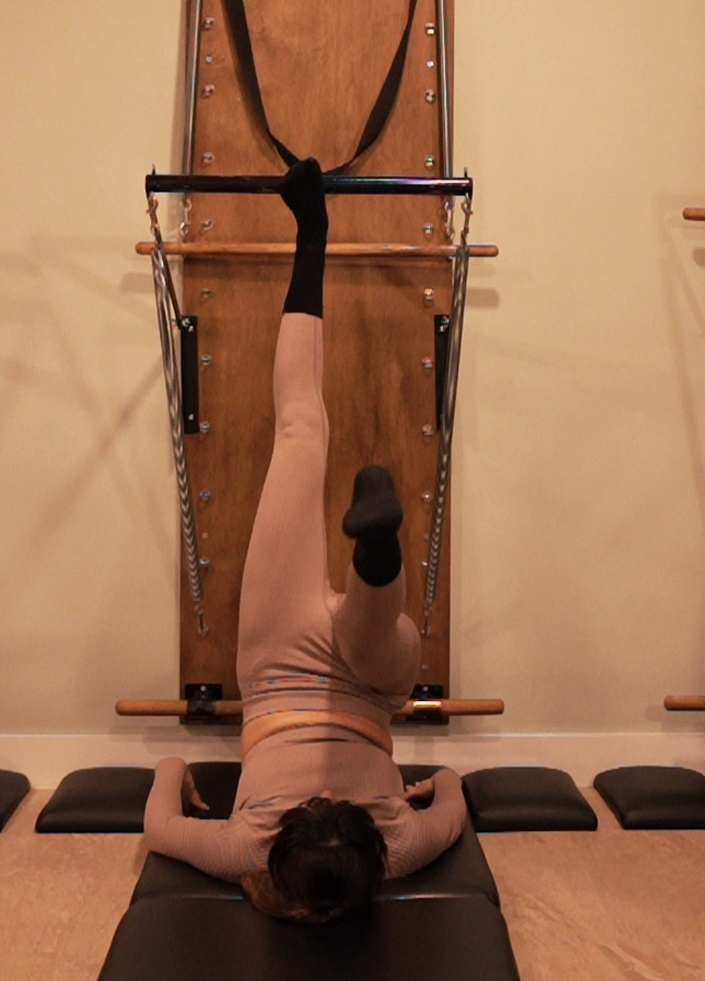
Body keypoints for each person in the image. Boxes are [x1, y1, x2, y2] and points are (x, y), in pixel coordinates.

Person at [142, 159, 467, 922]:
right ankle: (311, 228)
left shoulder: (400, 843)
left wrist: (420, 791)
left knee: (373, 629)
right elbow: (161, 796)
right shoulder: (245, 850)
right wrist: (185, 784)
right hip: (276, 658)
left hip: (371, 685)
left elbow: (451, 787)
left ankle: (377, 557)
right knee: (298, 430)